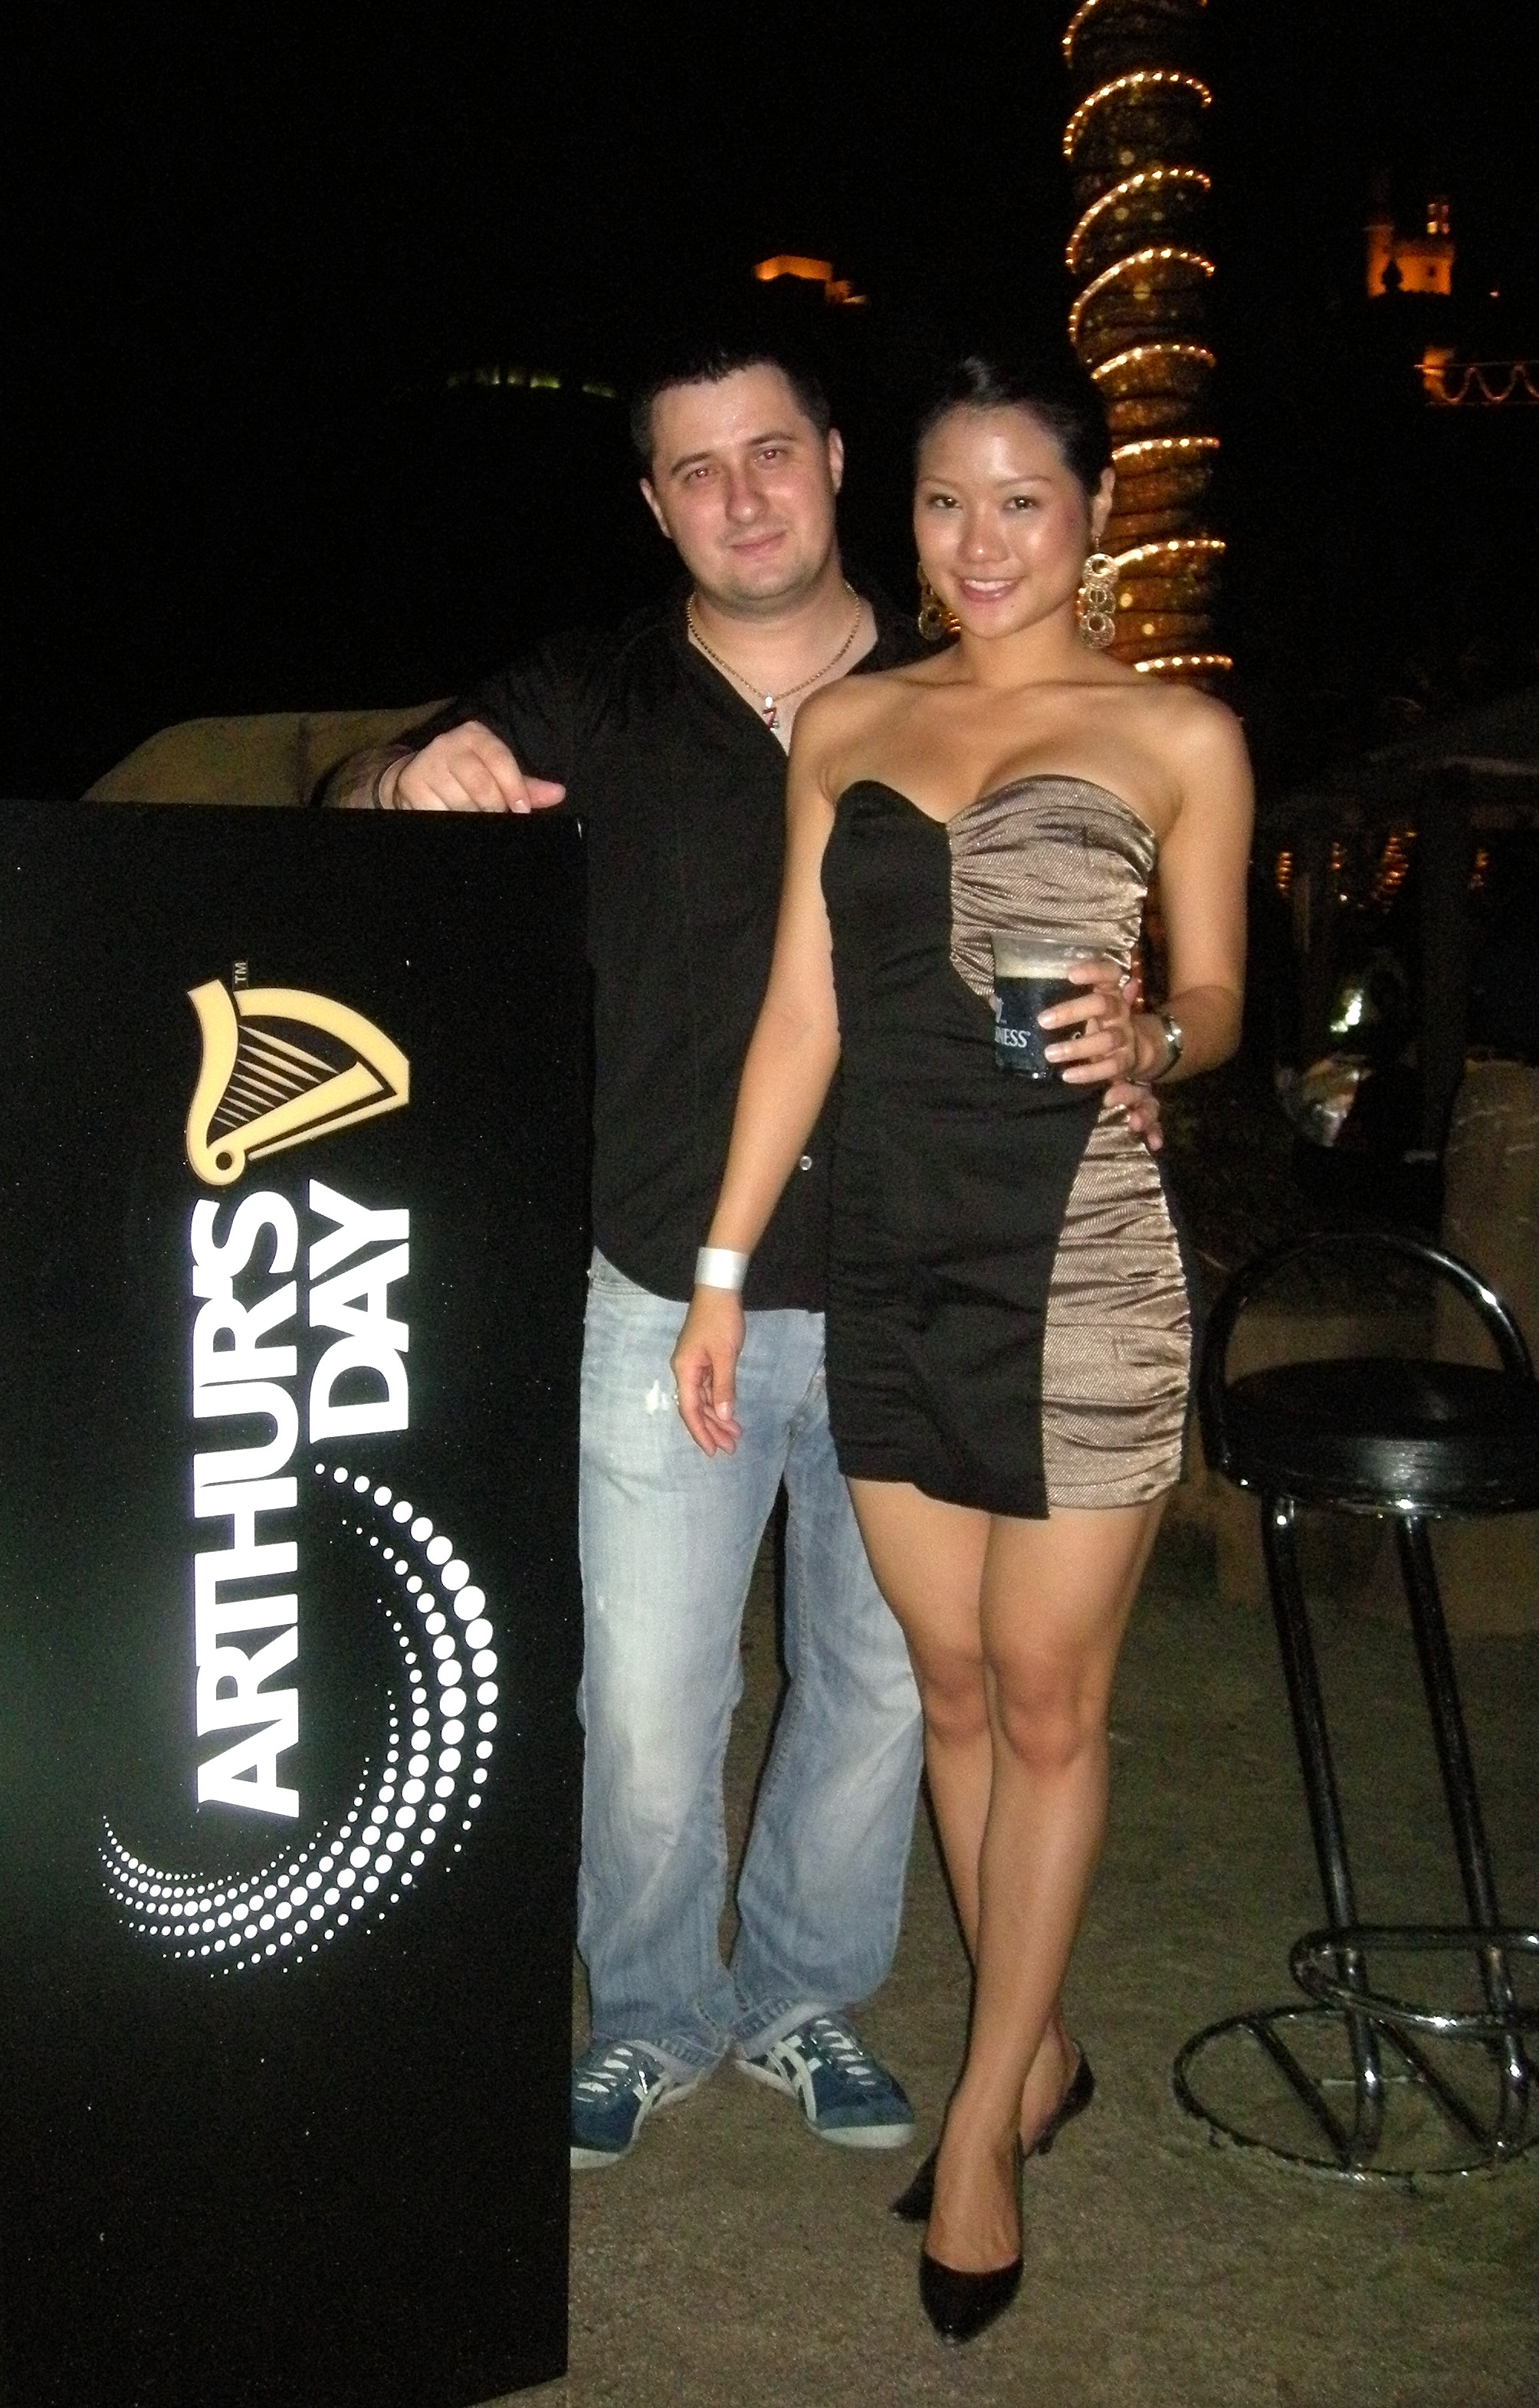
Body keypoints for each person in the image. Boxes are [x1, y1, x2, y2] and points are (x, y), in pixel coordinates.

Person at [326, 335, 1158, 2175]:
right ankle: (648, 2011)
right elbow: (363, 797)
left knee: (884, 1687)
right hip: (662, 1277)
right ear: (653, 503)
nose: (741, 497)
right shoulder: (593, 693)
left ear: (840, 460)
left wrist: (1149, 1035)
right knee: (644, 1698)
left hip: (921, 1284)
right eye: (695, 470)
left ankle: (802, 1994)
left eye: (770, 452)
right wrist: (413, 774)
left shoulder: (958, 680)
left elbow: (1115, 899)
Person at [672, 349, 1250, 2340]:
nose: (980, 540)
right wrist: (725, 1271)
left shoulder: (1176, 731)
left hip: (1083, 1265)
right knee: (950, 1695)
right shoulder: (846, 723)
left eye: (1021, 499)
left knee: (1052, 1702)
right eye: (943, 500)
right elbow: (802, 1018)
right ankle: (1046, 2038)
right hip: (893, 1266)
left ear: (1093, 512)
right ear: (900, 514)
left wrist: (1159, 1035)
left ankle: (991, 2121)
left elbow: (1218, 997)